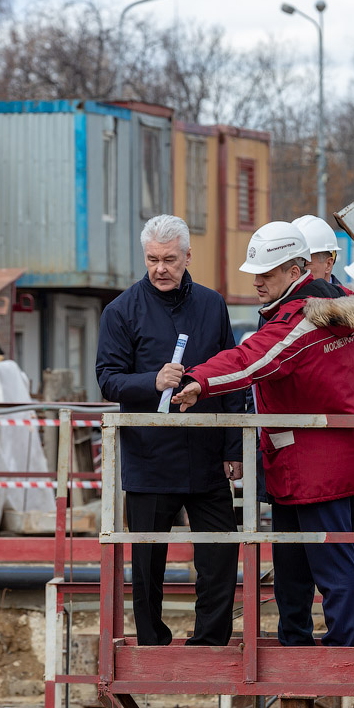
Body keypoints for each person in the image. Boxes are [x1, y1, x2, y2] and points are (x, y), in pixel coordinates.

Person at [172, 221, 354, 647]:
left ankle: (345, 657)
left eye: (267, 273)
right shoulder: (344, 309)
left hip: (314, 470)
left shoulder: (299, 322)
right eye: (256, 272)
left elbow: (251, 360)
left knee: (333, 569)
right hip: (348, 460)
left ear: (294, 270)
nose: (257, 281)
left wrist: (199, 379)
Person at [95, 214, 243, 647]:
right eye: (153, 259)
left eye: (170, 260)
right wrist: (152, 381)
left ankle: (210, 639)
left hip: (206, 451)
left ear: (187, 257)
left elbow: (233, 374)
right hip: (150, 455)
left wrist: (234, 447)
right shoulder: (120, 311)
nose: (161, 268)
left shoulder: (212, 305)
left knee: (219, 553)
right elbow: (107, 379)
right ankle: (151, 641)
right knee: (147, 560)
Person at [291, 214, 354, 414]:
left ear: (328, 264)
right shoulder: (277, 311)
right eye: (292, 264)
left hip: (342, 437)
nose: (297, 272)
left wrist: (351, 432)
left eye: (305, 264)